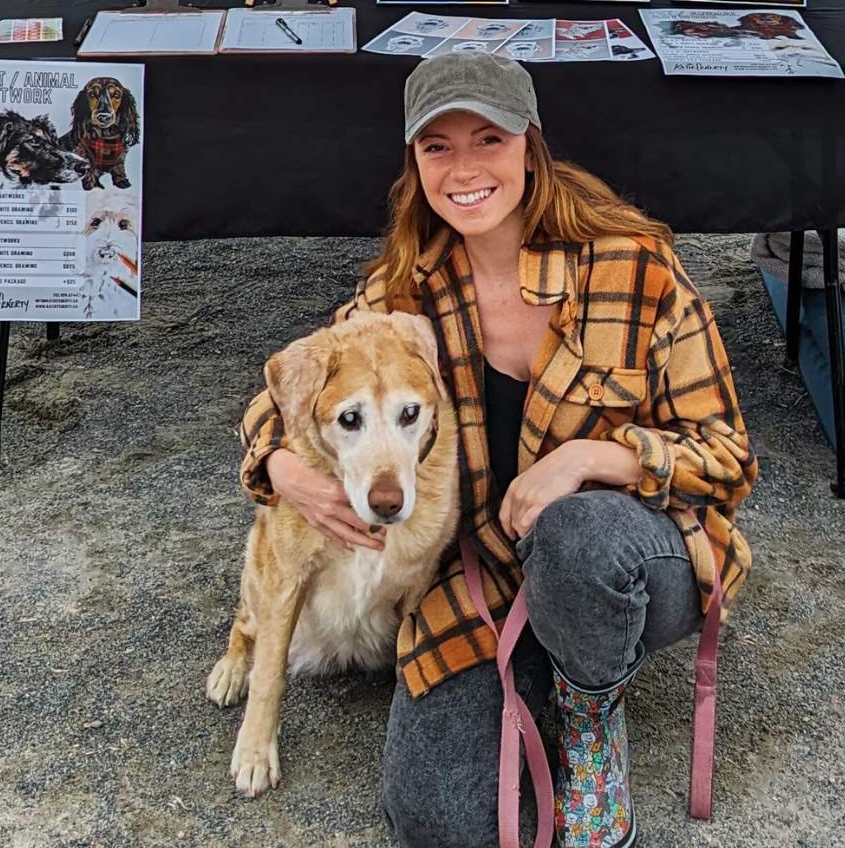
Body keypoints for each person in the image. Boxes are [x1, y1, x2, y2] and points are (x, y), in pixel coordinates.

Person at [238, 52, 756, 848]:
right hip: (483, 580)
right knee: (437, 820)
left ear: (530, 146)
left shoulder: (634, 267)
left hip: (630, 558)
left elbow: (727, 457)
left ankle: (590, 720)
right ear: (415, 163)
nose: (464, 168)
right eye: (437, 147)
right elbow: (284, 400)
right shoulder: (403, 296)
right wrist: (282, 470)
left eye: (488, 139)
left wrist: (590, 460)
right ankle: (536, 678)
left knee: (577, 534)